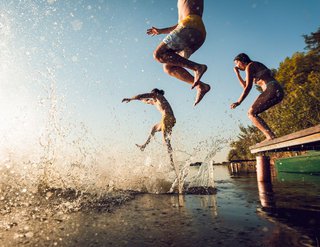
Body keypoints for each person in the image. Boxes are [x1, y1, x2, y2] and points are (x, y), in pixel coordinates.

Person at [147, 0, 210, 107]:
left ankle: (197, 67)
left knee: (159, 54)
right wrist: (161, 31)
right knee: (168, 67)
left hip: (190, 26)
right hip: (195, 32)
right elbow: (179, 25)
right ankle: (201, 86)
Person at [230, 53, 284, 141]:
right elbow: (245, 86)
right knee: (253, 113)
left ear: (243, 60)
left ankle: (270, 136)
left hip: (271, 89)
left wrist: (238, 102)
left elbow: (248, 87)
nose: (237, 66)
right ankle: (270, 135)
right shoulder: (254, 67)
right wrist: (237, 73)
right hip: (277, 91)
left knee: (251, 113)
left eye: (237, 63)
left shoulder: (250, 66)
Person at [122, 88, 176, 153]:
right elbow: (145, 100)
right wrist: (137, 99)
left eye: (153, 94)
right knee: (154, 128)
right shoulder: (154, 101)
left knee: (166, 141)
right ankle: (144, 146)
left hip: (167, 118)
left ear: (156, 93)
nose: (152, 96)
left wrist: (130, 99)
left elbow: (141, 95)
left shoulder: (159, 96)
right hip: (168, 119)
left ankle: (171, 162)